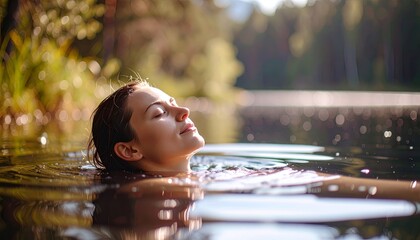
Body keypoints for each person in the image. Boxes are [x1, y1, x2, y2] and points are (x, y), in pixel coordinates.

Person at [87, 80, 205, 173]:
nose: (184, 111)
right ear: (129, 150)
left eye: (173, 103)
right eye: (159, 113)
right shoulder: (149, 192)